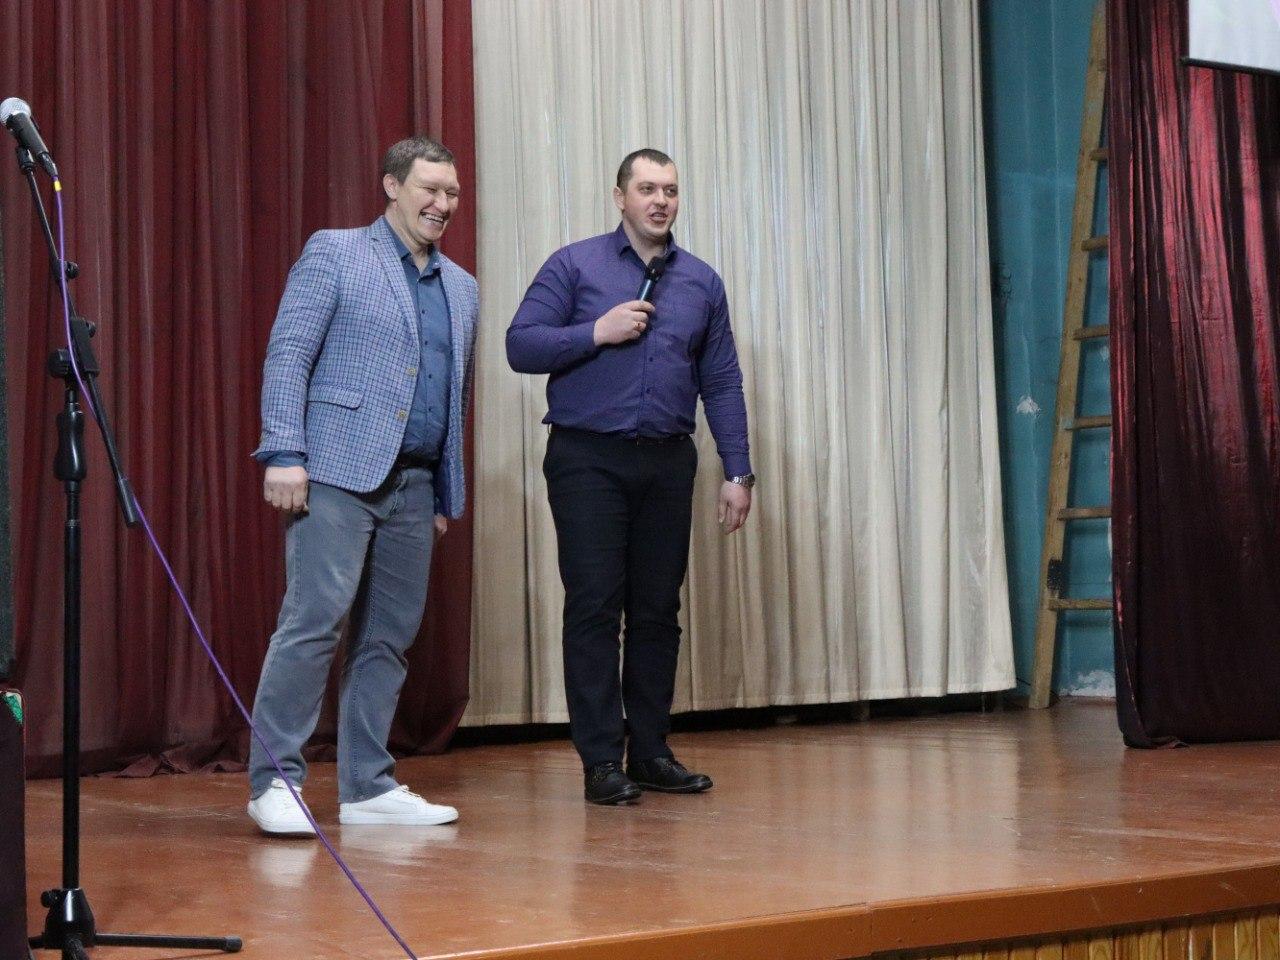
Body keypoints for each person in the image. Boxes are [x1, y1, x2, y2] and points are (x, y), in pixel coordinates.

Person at [506, 148, 754, 805]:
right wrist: (596, 331)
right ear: (620, 197)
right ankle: (600, 762)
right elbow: (520, 345)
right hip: (588, 458)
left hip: (668, 461)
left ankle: (649, 752)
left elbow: (721, 380)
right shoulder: (574, 265)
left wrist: (738, 469)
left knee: (657, 611)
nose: (660, 200)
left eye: (669, 189)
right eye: (647, 188)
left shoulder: (701, 281)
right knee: (594, 607)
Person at [247, 136, 478, 835]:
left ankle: (368, 787)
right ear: (392, 185)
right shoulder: (336, 252)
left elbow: (452, 393)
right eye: (430, 189)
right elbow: (289, 352)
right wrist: (284, 450)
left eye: (452, 193)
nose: (443, 203)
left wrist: (444, 493)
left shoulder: (462, 287)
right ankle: (275, 781)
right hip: (335, 472)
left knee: (388, 639)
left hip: (416, 485)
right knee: (314, 622)